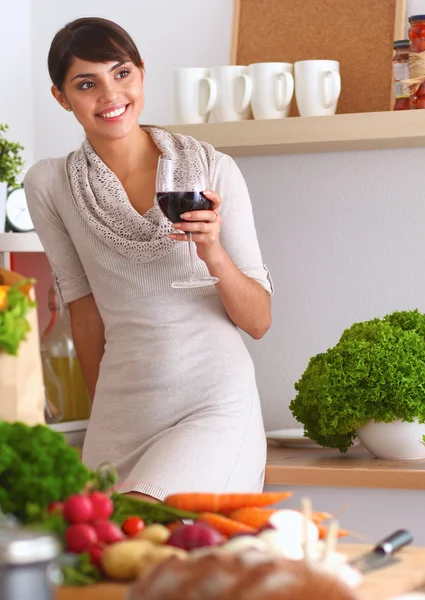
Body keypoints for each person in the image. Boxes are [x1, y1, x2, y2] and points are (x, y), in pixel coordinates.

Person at [25, 17, 273, 501]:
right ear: (61, 96)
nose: (110, 94)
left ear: (142, 72)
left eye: (121, 73)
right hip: (122, 412)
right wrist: (102, 419)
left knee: (148, 523)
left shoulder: (214, 170)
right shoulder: (50, 186)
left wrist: (212, 252)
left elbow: (260, 321)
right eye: (85, 83)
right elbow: (86, 315)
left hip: (212, 405)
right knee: (105, 556)